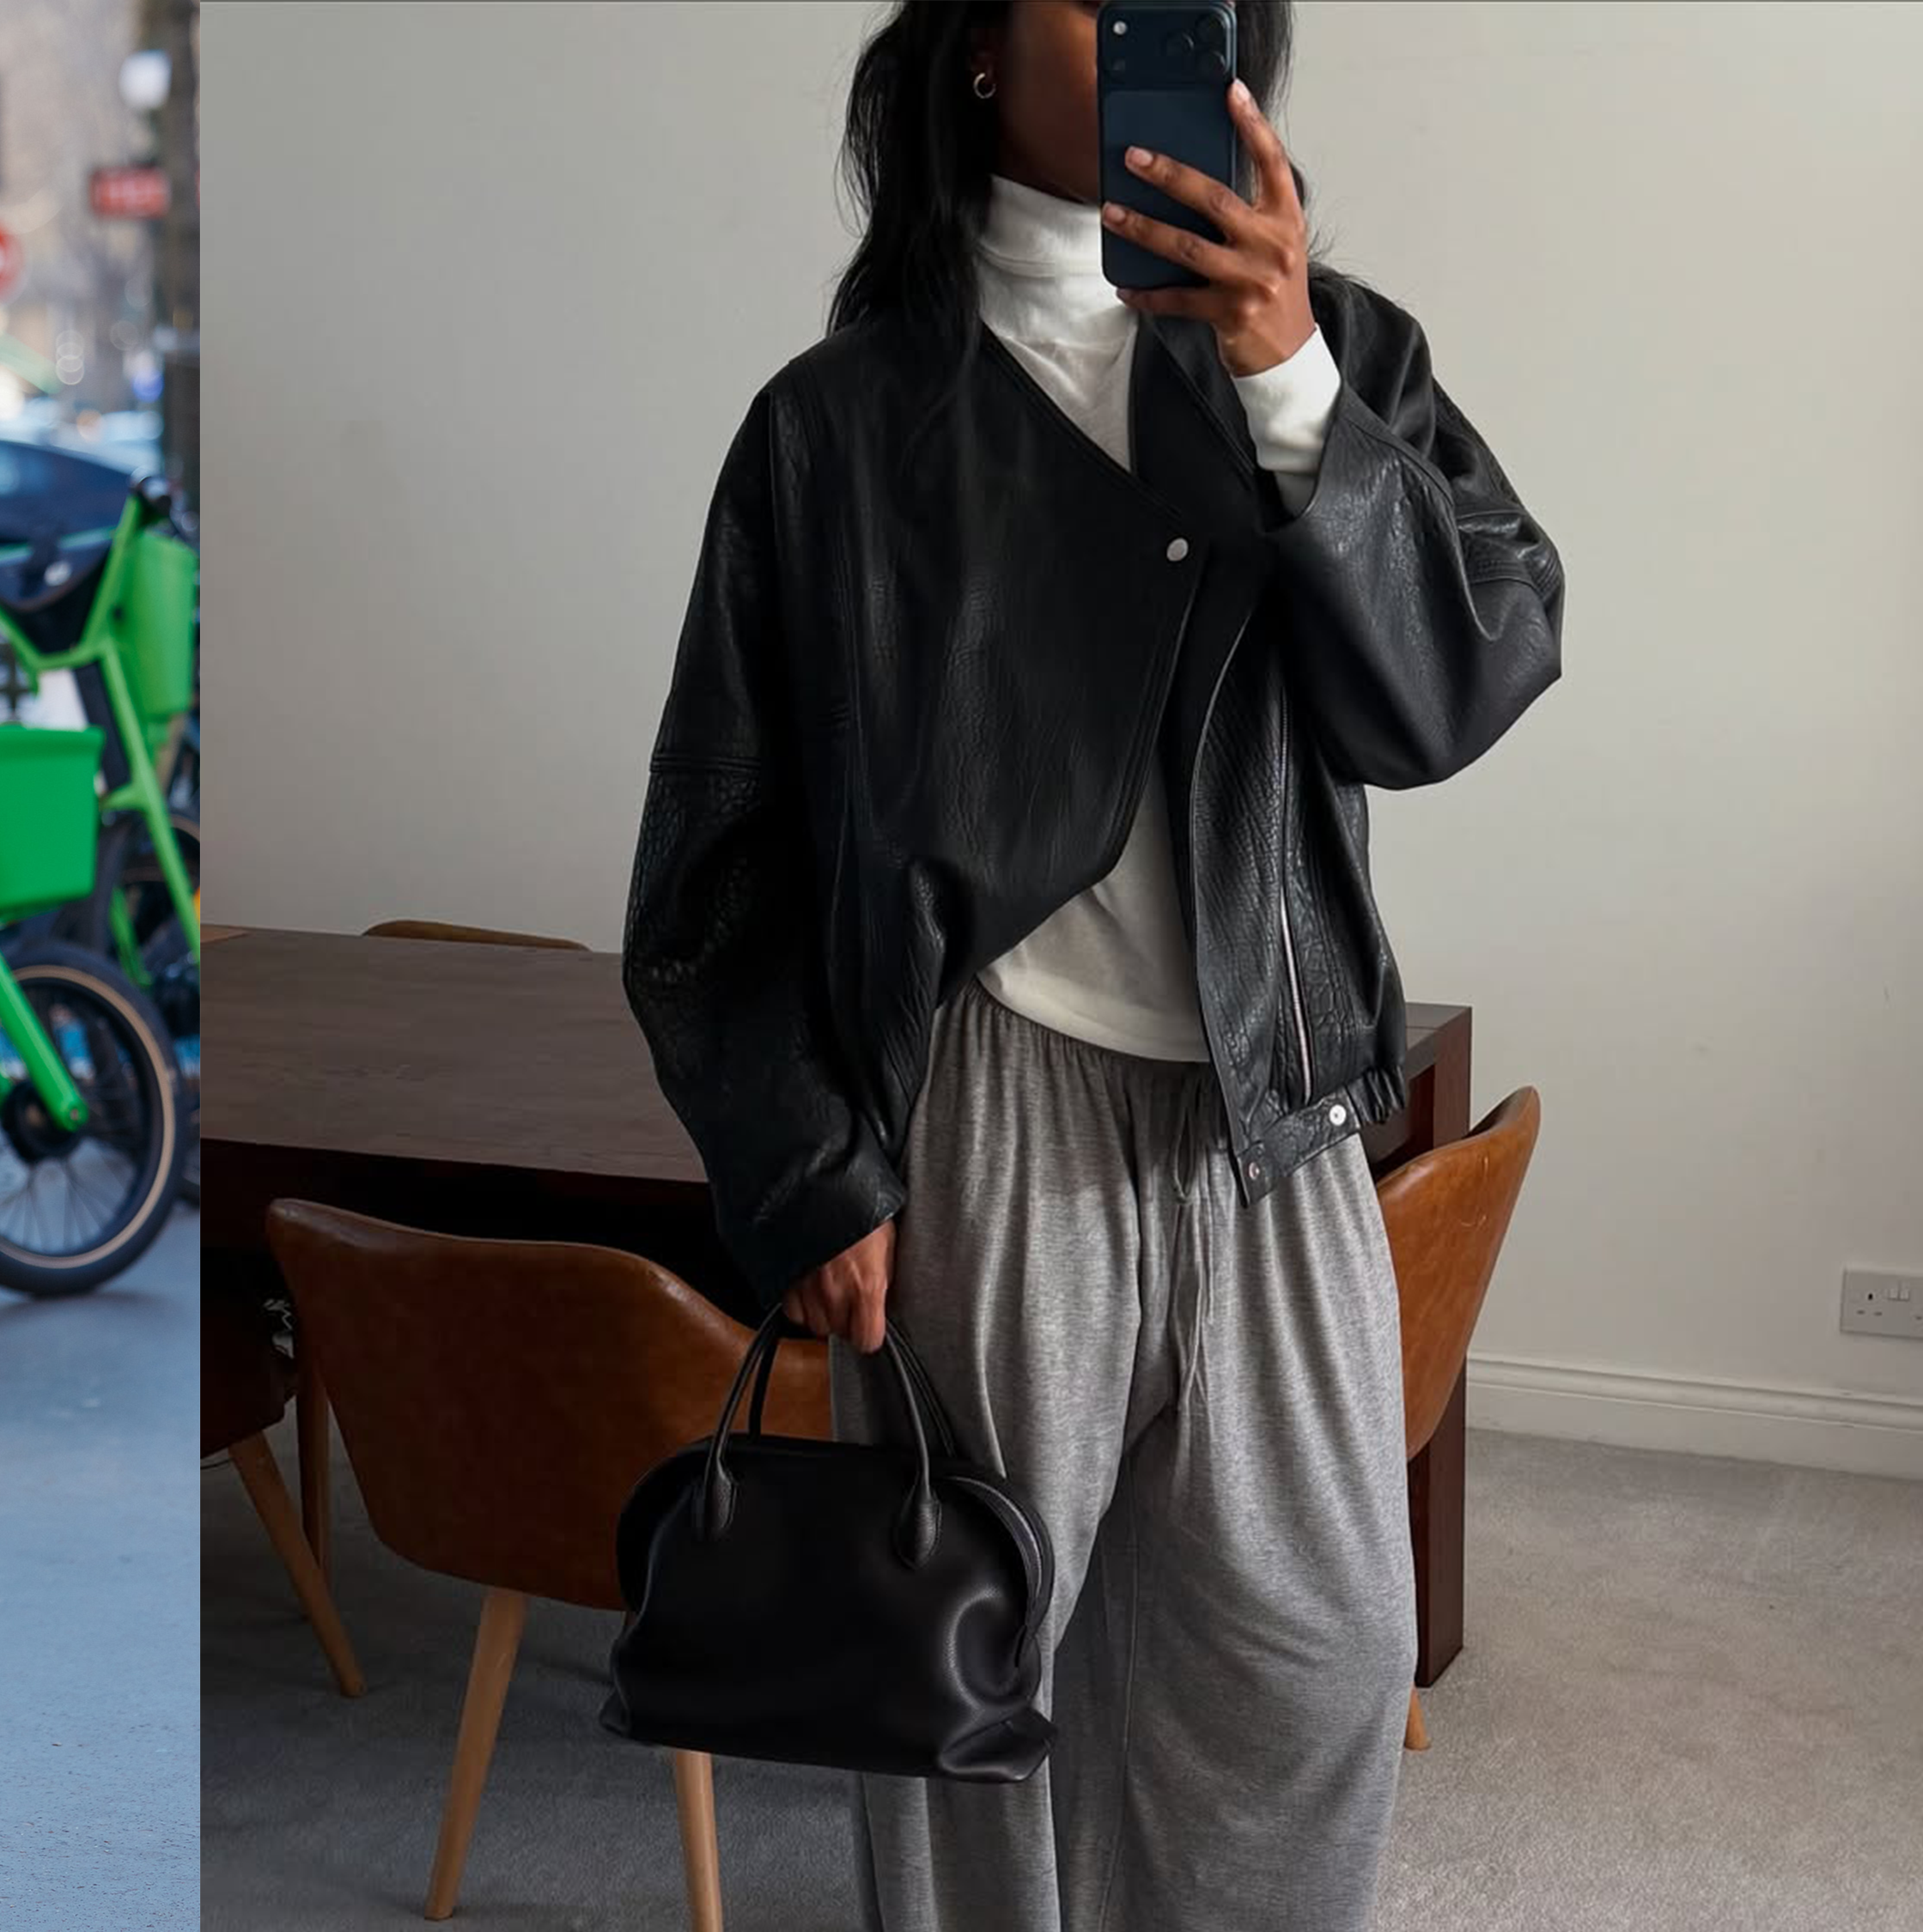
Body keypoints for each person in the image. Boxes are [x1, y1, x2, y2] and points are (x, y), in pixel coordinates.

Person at [618, 5, 1560, 1929]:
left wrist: (1287, 375)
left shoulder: (1332, 350)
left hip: (1267, 1097)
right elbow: (714, 864)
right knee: (956, 1663)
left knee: (1315, 1654)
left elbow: (1457, 684)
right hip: (983, 1104)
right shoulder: (838, 424)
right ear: (975, 46)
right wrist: (806, 1167)